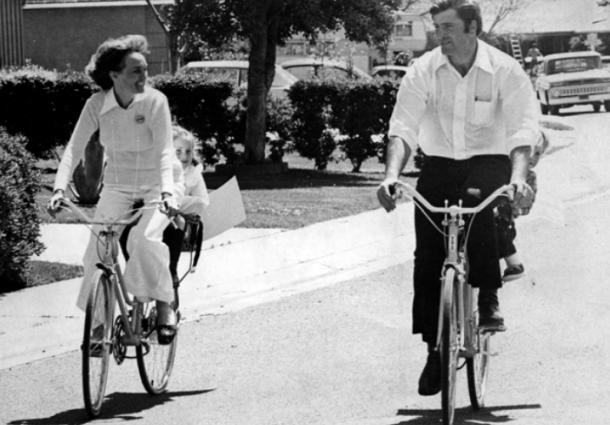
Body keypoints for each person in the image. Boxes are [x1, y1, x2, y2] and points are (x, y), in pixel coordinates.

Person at [376, 0, 538, 396]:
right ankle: (435, 349)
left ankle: (488, 297)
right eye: (437, 27)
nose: (440, 35)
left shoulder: (505, 69)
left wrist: (517, 179)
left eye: (448, 27)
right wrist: (391, 176)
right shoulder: (423, 70)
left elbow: (521, 129)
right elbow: (403, 127)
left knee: (482, 216)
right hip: (440, 164)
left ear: (473, 28)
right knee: (427, 256)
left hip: (489, 160)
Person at [47, 34, 180, 341]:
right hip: (118, 186)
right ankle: (98, 325)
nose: (144, 77)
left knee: (144, 240)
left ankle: (164, 304)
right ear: (114, 75)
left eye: (146, 70)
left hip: (159, 183)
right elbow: (73, 149)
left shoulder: (156, 101)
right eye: (136, 71)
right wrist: (58, 189)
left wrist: (168, 193)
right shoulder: (96, 105)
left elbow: (164, 151)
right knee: (97, 250)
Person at [496, 128, 549, 281]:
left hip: (505, 222)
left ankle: (515, 265)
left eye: (538, 153)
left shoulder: (529, 177)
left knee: (501, 234)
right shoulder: (503, 169)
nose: (532, 157)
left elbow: (526, 206)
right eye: (529, 151)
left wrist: (515, 204)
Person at [162, 125, 210, 282]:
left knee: (179, 221)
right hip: (158, 208)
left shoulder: (194, 173)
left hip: (176, 212)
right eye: (178, 151)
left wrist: (177, 202)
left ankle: (172, 269)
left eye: (188, 151)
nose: (184, 156)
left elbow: (202, 202)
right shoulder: (164, 169)